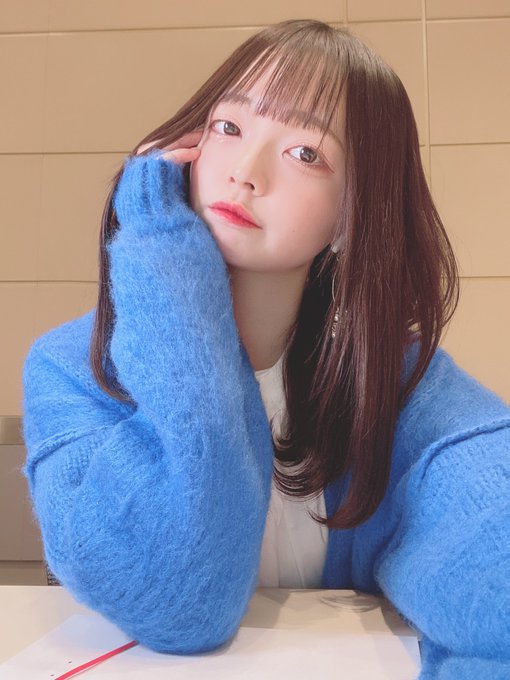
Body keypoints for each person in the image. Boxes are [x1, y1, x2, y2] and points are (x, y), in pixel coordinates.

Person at [21, 19, 509, 679]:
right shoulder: (71, 371)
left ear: (354, 214)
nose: (245, 173)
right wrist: (160, 244)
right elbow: (182, 605)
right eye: (228, 127)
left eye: (305, 153)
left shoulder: (399, 388)